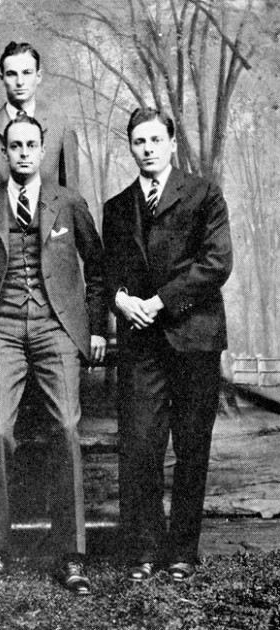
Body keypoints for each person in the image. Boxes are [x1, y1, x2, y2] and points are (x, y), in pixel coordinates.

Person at [0, 115, 105, 594]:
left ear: (42, 150)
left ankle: (72, 554)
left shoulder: (68, 202)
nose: (23, 153)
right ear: (4, 153)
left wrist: (94, 327)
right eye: (15, 146)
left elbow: (98, 268)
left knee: (66, 427)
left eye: (31, 145)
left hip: (54, 326)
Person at [102, 107, 232, 583]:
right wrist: (121, 301)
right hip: (141, 343)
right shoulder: (118, 206)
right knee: (140, 444)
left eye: (156, 140)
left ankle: (182, 551)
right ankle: (143, 549)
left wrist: (158, 302)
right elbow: (108, 273)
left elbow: (216, 263)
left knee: (192, 446)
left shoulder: (203, 194)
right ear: (131, 147)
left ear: (172, 143)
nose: (148, 149)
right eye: (140, 141)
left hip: (194, 338)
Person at [0, 42, 79, 202]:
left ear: (38, 76)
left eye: (27, 73)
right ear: (2, 78)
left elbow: (72, 201)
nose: (20, 82)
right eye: (12, 74)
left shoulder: (61, 128)